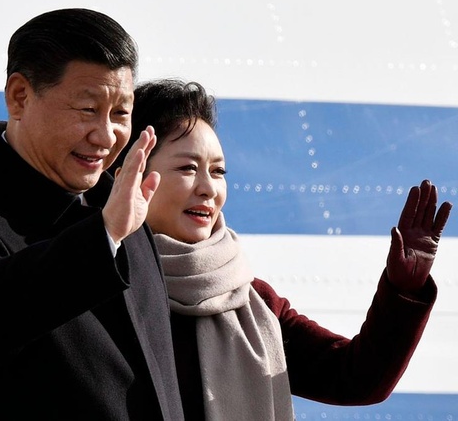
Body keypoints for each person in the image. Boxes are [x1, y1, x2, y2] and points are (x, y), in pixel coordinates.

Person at [0, 9, 185, 420]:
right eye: (87, 109)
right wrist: (103, 236)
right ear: (19, 96)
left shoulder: (119, 203)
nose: (106, 136)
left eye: (121, 113)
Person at [112, 78, 453, 420]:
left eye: (218, 171)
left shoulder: (252, 300)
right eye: (187, 168)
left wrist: (404, 291)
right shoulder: (99, 284)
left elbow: (356, 378)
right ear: (132, 173)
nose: (208, 189)